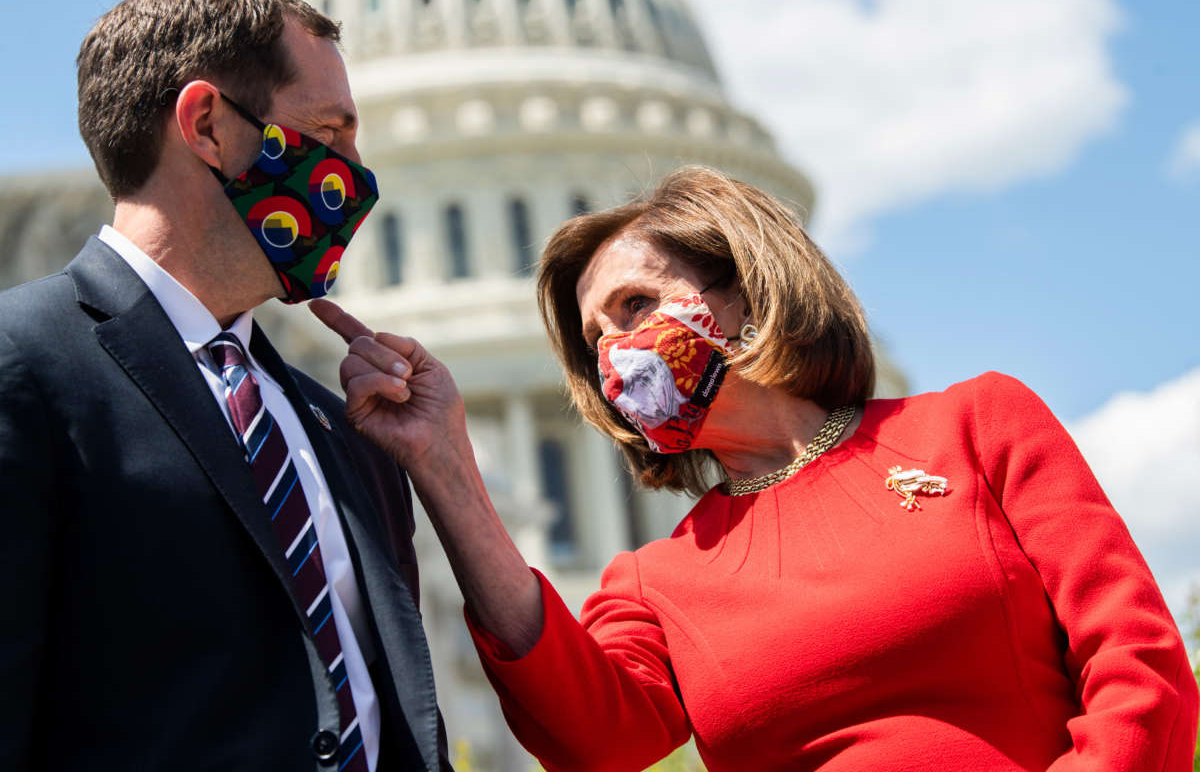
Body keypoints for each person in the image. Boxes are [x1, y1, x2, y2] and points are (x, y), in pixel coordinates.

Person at [311, 165, 1199, 771]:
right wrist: (447, 470)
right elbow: (592, 740)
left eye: (636, 304)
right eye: (595, 339)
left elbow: (1138, 663)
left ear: (744, 292)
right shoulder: (660, 580)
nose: (618, 349)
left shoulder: (974, 427)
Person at [0, 0, 452, 770]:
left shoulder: (340, 426)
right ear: (207, 124)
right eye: (329, 131)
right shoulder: (23, 368)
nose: (357, 173)